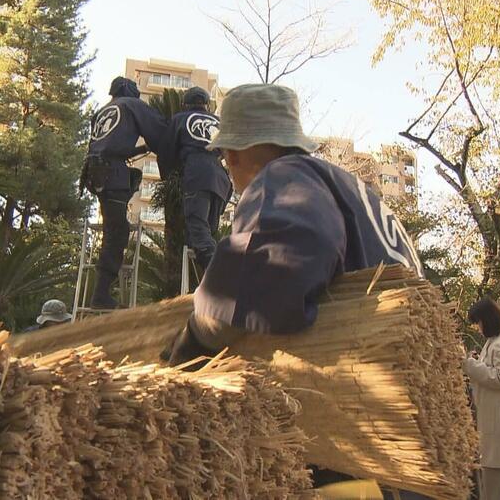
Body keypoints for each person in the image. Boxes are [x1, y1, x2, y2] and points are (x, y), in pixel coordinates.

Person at [162, 82, 423, 366]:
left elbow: (281, 256)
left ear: (232, 153)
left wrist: (201, 334)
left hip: (376, 371)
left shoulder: (284, 177)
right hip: (413, 363)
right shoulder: (346, 188)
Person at [81, 77, 166, 309]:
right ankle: (101, 294)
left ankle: (101, 292)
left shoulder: (102, 111)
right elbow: (159, 131)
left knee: (116, 218)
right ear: (129, 90)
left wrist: (141, 148)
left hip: (95, 172)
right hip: (112, 173)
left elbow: (109, 145)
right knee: (117, 231)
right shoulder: (131, 104)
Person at [157, 86, 232, 270]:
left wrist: (168, 177)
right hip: (221, 180)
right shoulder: (220, 122)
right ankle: (212, 283)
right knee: (208, 230)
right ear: (207, 105)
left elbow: (166, 151)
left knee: (198, 229)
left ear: (185, 104)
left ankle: (220, 278)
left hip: (197, 174)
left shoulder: (180, 119)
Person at [462, 297, 500, 500]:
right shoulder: (492, 343)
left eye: (479, 322)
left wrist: (469, 365)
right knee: (491, 485)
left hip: (498, 423)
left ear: (488, 319)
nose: (478, 327)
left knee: (497, 488)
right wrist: (476, 363)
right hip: (490, 420)